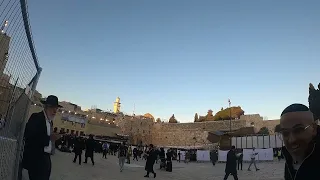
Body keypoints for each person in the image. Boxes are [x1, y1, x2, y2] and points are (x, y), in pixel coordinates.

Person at [22, 95, 62, 180]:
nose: (55, 111)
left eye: (56, 108)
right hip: (36, 160)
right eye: (52, 107)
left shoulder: (50, 122)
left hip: (46, 159)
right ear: (45, 107)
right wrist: (49, 138)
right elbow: (29, 136)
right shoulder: (36, 117)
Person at [279, 104, 320, 180]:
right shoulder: (290, 158)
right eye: (285, 133)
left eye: (298, 130)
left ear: (314, 128)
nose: (292, 140)